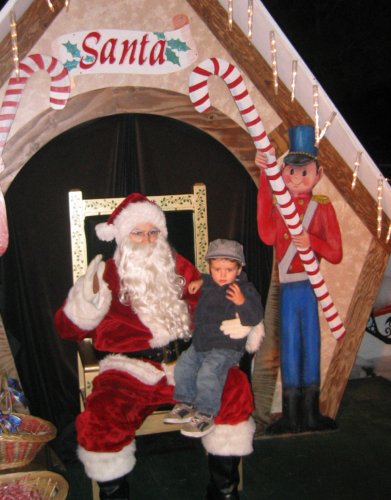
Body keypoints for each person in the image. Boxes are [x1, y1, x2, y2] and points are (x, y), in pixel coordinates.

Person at [54, 193, 261, 500]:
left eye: (154, 232)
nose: (148, 240)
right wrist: (87, 301)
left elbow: (214, 298)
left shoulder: (180, 267)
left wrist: (242, 317)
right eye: (138, 232)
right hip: (129, 371)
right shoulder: (105, 274)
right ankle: (114, 495)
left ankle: (224, 491)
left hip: (188, 363)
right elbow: (67, 328)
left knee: (233, 386)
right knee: (104, 414)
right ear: (124, 237)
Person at [255, 124, 343, 434]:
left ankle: (311, 412)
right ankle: (291, 415)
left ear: (317, 174)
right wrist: (266, 178)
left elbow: (335, 253)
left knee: (311, 344)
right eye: (291, 170)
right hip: (289, 286)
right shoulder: (282, 209)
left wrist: (312, 243)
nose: (295, 177)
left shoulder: (323, 208)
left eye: (304, 171)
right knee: (290, 345)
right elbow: (266, 234)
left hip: (310, 286)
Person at [164, 239, 264, 438]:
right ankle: (185, 402)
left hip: (226, 346)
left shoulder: (244, 289)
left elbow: (255, 317)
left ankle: (206, 413)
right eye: (217, 269)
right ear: (209, 267)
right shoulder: (209, 282)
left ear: (239, 268)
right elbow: (206, 279)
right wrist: (199, 281)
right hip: (202, 342)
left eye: (228, 269)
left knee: (208, 372)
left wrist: (242, 302)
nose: (222, 275)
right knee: (183, 365)